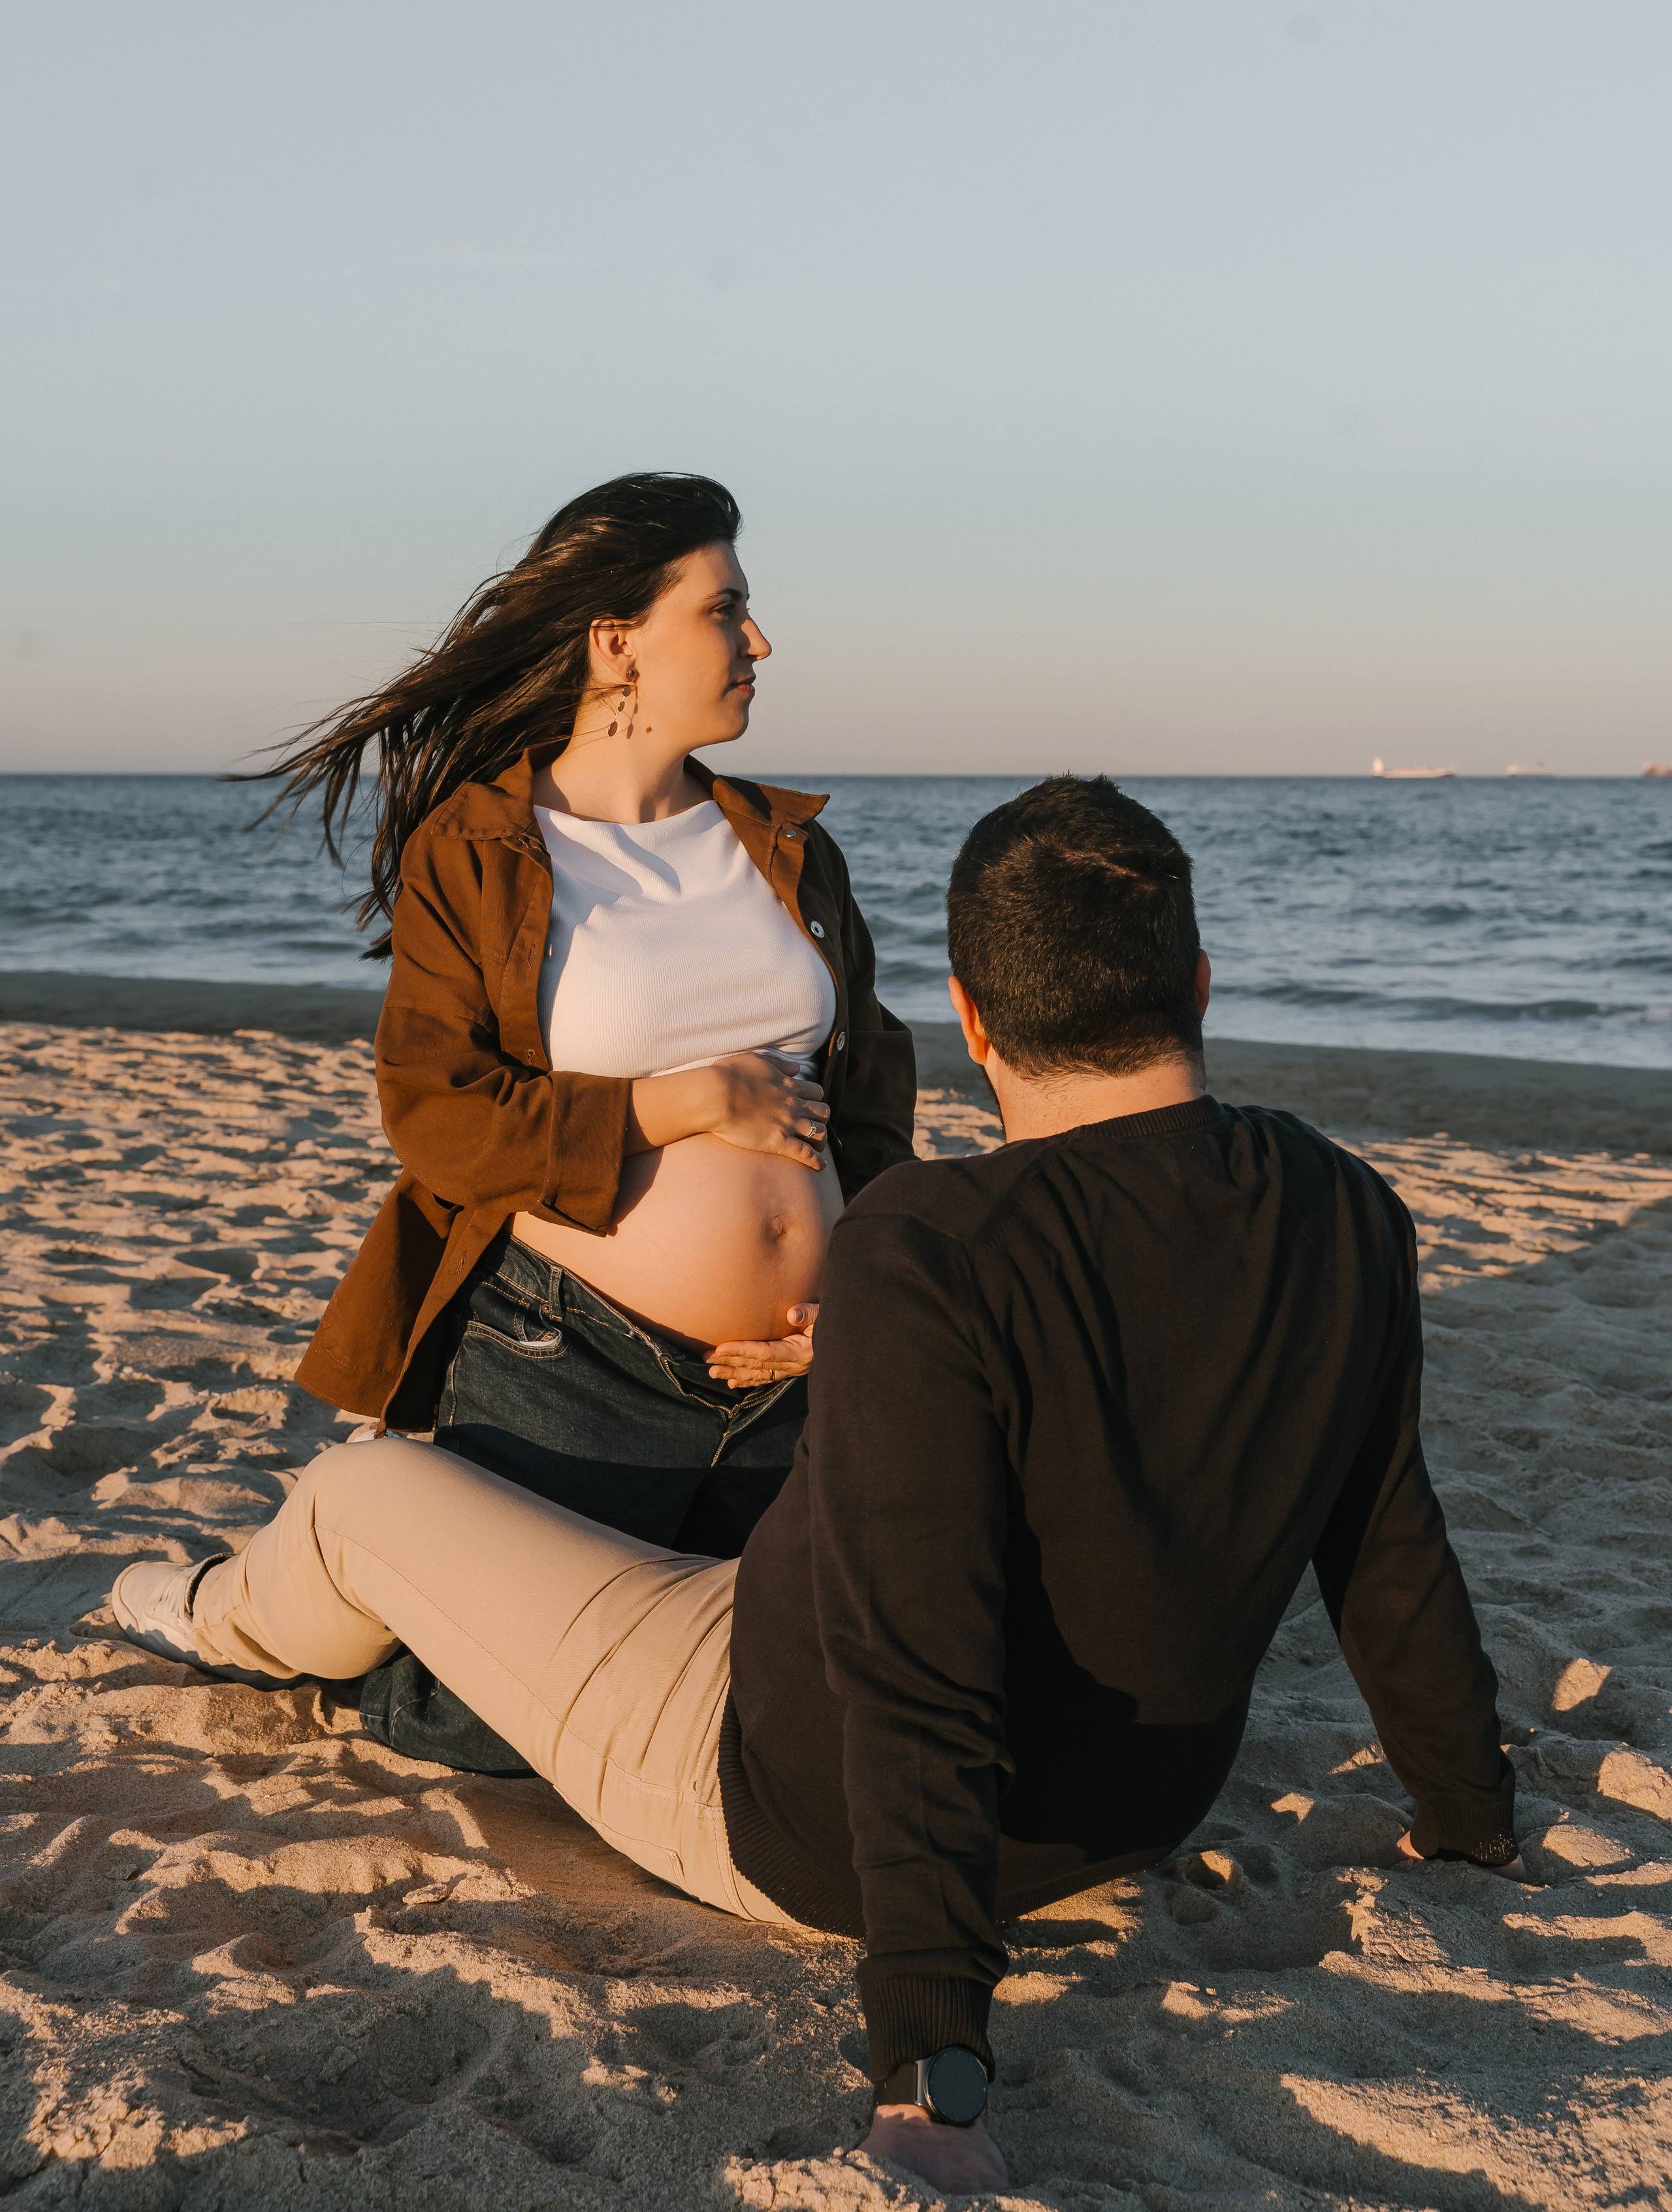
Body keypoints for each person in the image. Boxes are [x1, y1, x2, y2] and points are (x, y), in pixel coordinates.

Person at [111, 777, 1520, 2196]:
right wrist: (1465, 1813)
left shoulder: (938, 1239)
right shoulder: (1346, 1202)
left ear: (970, 1019)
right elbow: (1386, 1543)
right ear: (1198, 984)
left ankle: (202, 1615)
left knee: (365, 1497)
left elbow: (921, 1660)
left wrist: (932, 2067)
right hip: (1132, 1809)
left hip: (786, 1810)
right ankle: (285, 1630)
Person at [247, 471, 915, 1772]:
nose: (758, 643)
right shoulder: (484, 847)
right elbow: (436, 1119)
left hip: (789, 1379)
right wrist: (682, 1098)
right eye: (725, 612)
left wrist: (871, 1292)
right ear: (617, 641)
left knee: (788, 1699)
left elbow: (872, 1106)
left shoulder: (784, 846)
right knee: (487, 1731)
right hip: (578, 1364)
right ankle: (298, 1628)